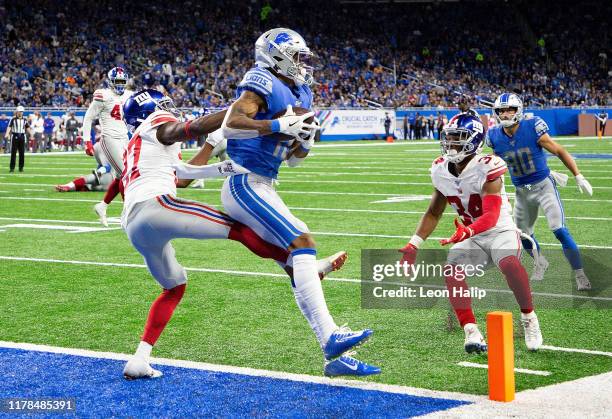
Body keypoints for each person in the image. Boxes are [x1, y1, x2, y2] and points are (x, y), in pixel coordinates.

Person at [120, 89, 348, 379]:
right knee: (239, 229)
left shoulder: (137, 144)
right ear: (149, 111)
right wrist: (235, 113)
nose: (169, 109)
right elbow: (188, 129)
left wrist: (212, 145)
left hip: (133, 224)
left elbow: (184, 178)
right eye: (162, 105)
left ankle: (139, 359)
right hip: (157, 206)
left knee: (174, 287)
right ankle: (301, 266)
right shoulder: (155, 125)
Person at [220, 28, 380, 377]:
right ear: (276, 54)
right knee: (302, 242)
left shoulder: (301, 90)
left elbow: (293, 160)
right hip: (243, 181)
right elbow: (232, 124)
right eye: (297, 56)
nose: (303, 64)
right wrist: (279, 123)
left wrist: (304, 140)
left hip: (266, 183)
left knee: (298, 256)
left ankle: (332, 356)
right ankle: (333, 336)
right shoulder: (260, 79)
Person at [399, 112, 543, 353]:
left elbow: (491, 215)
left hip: (500, 230)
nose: (451, 143)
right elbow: (434, 212)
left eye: (458, 138)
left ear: (474, 140)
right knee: (451, 269)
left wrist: (466, 232)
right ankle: (471, 332)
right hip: (472, 235)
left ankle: (529, 318)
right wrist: (414, 244)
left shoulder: (488, 166)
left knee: (509, 263)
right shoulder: (440, 169)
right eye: (449, 137)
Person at [487, 93, 592, 290]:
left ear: (518, 110)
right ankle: (540, 261)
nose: (505, 114)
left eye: (509, 109)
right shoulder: (494, 136)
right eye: (501, 110)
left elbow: (559, 150)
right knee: (523, 235)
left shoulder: (532, 126)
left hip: (543, 184)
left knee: (559, 230)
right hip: (522, 190)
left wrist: (578, 175)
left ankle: (580, 274)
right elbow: (495, 166)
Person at [82, 67, 133, 227]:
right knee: (126, 174)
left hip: (124, 137)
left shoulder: (130, 95)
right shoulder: (103, 95)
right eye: (117, 82)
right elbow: (88, 118)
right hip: (109, 138)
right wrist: (87, 141)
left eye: (122, 82)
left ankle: (102, 206)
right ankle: (129, 213)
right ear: (111, 82)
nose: (120, 85)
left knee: (120, 176)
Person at [6, 106, 30, 172]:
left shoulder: (25, 120)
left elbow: (27, 127)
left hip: (22, 136)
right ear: (17, 111)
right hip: (15, 136)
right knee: (13, 153)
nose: (21, 113)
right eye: (20, 111)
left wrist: (31, 134)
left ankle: (21, 168)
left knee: (22, 153)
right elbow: (9, 127)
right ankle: (12, 168)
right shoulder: (13, 119)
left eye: (22, 112)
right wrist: (7, 134)